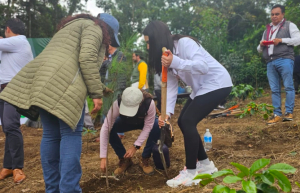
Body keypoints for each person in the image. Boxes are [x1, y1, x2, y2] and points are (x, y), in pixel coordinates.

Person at [0, 14, 113, 192]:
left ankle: (52, 189)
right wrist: (96, 95)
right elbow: (86, 59)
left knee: (51, 135)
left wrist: (103, 89)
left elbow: (68, 61)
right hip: (65, 84)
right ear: (107, 29)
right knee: (71, 133)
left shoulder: (68, 28)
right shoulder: (95, 28)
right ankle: (69, 189)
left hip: (43, 81)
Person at [143, 21, 233, 187]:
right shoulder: (165, 57)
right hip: (201, 89)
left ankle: (190, 172)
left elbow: (202, 66)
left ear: (157, 39)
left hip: (217, 82)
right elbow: (170, 88)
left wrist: (175, 61)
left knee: (188, 121)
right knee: (182, 121)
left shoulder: (184, 44)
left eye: (149, 42)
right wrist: (166, 115)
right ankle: (205, 165)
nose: (148, 47)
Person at [0, 18, 33, 184]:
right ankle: (8, 166)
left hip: (15, 88)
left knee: (11, 126)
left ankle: (18, 167)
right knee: (7, 127)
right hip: (4, 89)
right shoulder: (11, 44)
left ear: (8, 29)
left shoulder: (18, 41)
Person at [100, 87, 160, 176]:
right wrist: (103, 156)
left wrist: (135, 146)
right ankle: (124, 159)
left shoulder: (148, 103)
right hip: (125, 122)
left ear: (140, 103)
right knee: (110, 128)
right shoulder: (118, 103)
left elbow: (148, 126)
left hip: (142, 122)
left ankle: (145, 158)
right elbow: (106, 127)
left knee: (157, 125)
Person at [257, 4, 300, 124]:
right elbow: (259, 49)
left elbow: (298, 39)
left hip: (285, 59)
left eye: (277, 14)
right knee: (274, 89)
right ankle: (277, 114)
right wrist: (261, 44)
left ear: (282, 14)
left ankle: (289, 112)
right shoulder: (267, 30)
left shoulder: (289, 25)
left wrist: (281, 40)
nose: (274, 16)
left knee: (288, 86)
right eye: (272, 14)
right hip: (270, 62)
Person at [98, 13, 126, 139]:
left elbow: (122, 73)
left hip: (116, 86)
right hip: (107, 85)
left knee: (116, 110)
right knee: (106, 109)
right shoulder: (107, 58)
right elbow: (102, 72)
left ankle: (119, 133)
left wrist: (120, 89)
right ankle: (105, 132)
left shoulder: (120, 56)